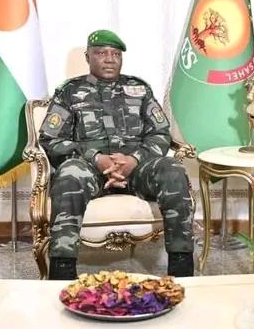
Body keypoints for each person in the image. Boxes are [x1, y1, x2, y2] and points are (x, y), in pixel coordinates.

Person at [39, 29, 195, 280]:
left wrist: (135, 160)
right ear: (87, 57)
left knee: (172, 169)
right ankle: (62, 271)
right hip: (90, 170)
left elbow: (160, 133)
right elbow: (51, 139)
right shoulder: (69, 92)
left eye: (115, 54)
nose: (110, 59)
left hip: (137, 170)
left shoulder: (139, 89)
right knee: (70, 174)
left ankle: (182, 269)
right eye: (101, 53)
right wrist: (96, 158)